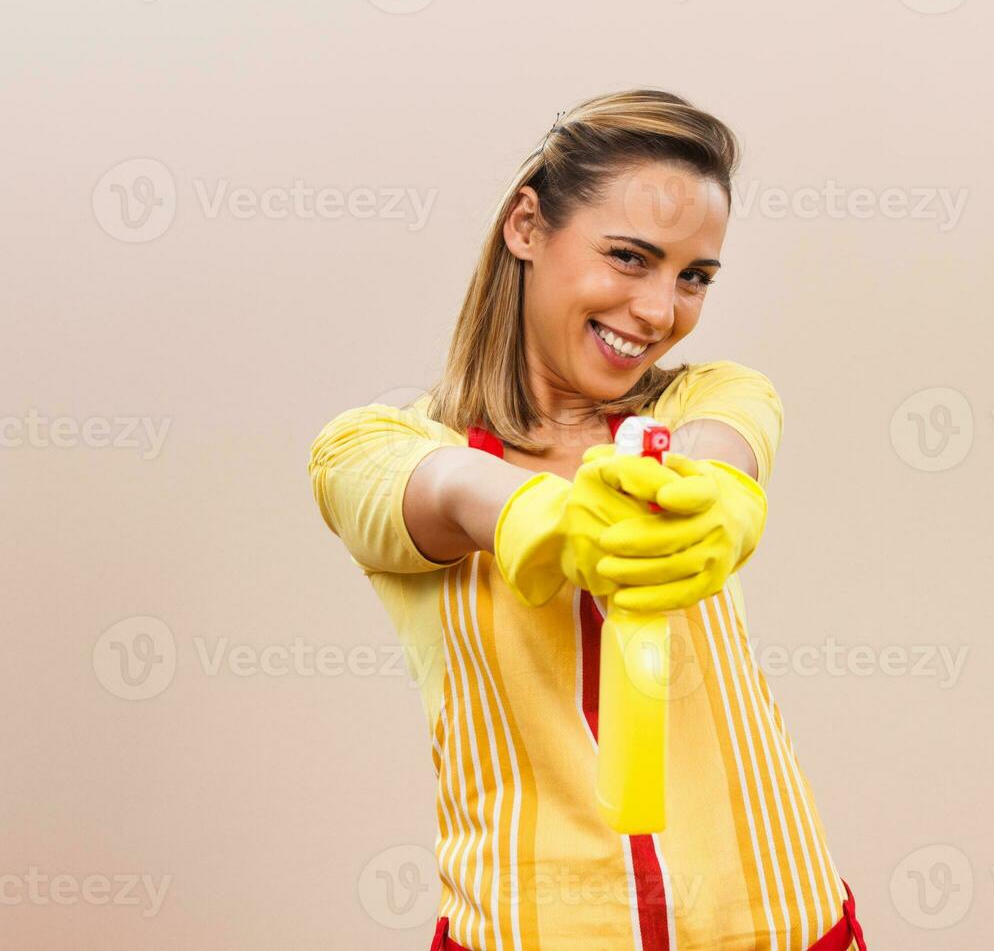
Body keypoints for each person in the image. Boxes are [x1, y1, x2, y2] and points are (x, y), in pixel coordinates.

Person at [308, 89, 866, 951]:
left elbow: (727, 448)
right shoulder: (377, 445)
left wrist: (715, 497)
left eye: (694, 277)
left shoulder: (705, 401)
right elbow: (441, 488)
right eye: (630, 257)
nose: (658, 311)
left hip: (784, 926)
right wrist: (545, 518)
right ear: (527, 226)